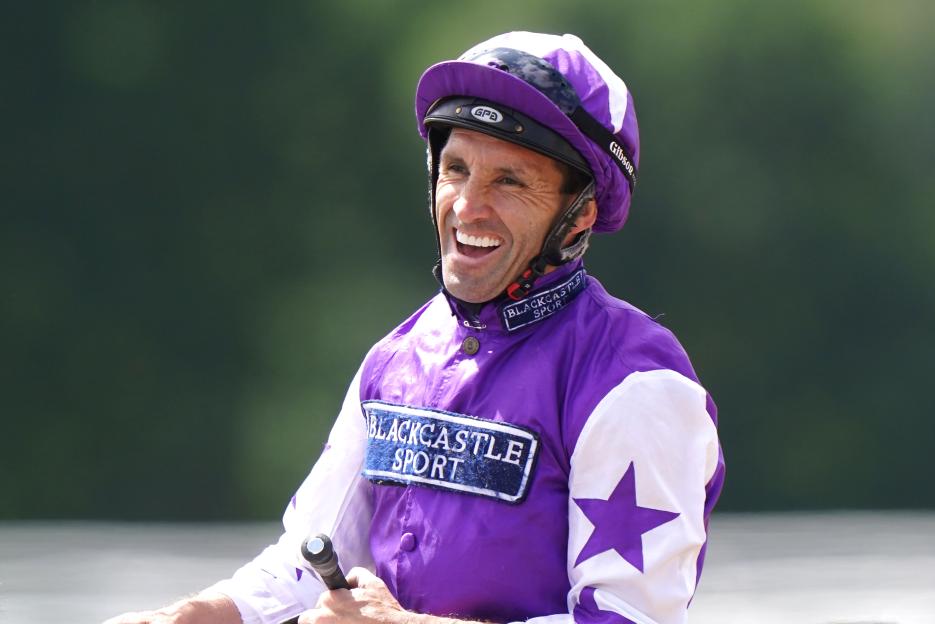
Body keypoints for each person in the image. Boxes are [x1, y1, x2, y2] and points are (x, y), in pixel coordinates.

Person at [106, 31, 725, 624]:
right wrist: (192, 616)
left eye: (508, 180)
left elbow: (627, 621)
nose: (467, 205)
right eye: (456, 169)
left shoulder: (635, 384)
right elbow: (308, 560)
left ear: (580, 212)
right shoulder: (396, 357)